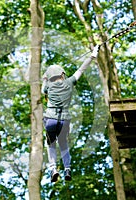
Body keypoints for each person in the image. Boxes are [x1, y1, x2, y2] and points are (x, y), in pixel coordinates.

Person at [41, 45, 100, 182]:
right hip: (64, 121)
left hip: (50, 119)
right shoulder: (69, 82)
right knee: (64, 145)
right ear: (63, 74)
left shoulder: (48, 86)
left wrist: (44, 78)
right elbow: (81, 69)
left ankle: (53, 169)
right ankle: (67, 169)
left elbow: (42, 89)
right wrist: (92, 55)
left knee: (50, 145)